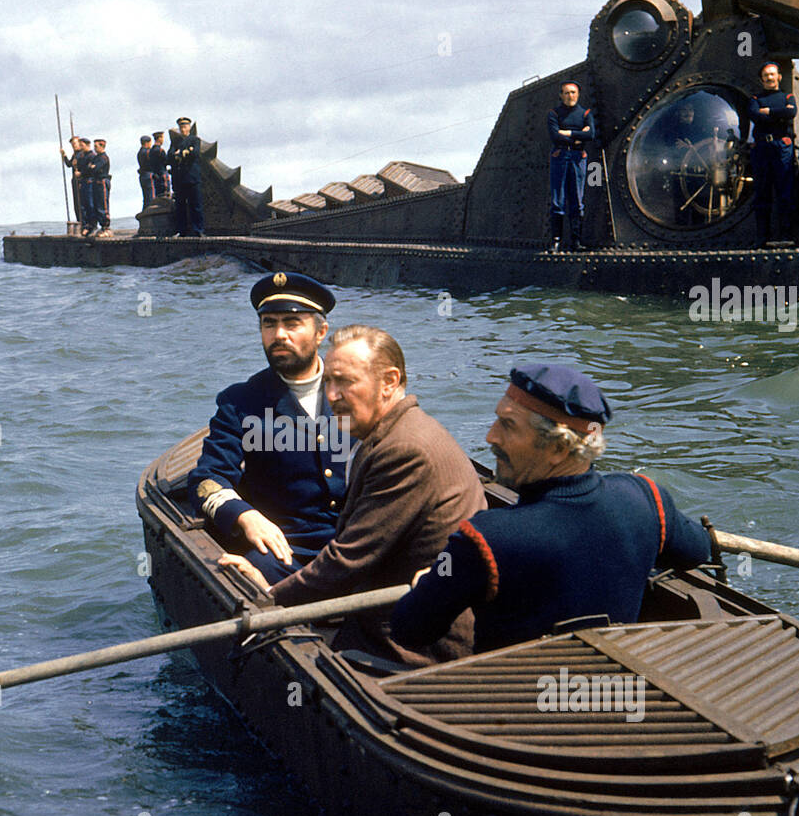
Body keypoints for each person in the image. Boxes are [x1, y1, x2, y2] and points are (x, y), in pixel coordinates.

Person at [390, 364, 713, 656]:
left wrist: (430, 581)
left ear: (559, 448)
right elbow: (697, 549)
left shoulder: (485, 539)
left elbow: (411, 629)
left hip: (515, 708)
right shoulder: (644, 497)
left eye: (507, 425)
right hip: (609, 689)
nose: (490, 436)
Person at [222, 325, 486, 666]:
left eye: (345, 382)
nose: (331, 395)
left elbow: (349, 561)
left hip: (412, 644)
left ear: (389, 382)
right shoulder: (397, 433)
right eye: (328, 382)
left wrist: (269, 599)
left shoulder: (404, 450)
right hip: (399, 611)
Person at [187, 272, 349, 585]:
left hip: (360, 542)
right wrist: (245, 516)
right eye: (269, 323)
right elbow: (206, 479)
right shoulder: (241, 402)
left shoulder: (353, 389)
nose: (279, 334)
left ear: (321, 332)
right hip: (286, 551)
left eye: (292, 323)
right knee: (248, 586)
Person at [747, 61, 797, 245]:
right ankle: (763, 236)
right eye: (766, 75)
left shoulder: (788, 96)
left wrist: (768, 112)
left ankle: (786, 235)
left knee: (785, 191)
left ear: (779, 77)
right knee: (762, 192)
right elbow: (754, 114)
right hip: (762, 148)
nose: (769, 78)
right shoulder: (755, 98)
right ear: (762, 80)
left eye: (772, 74)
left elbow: (792, 113)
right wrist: (779, 114)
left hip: (782, 147)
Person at [547, 81, 594, 252]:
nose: (570, 96)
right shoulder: (554, 114)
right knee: (557, 199)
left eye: (573, 92)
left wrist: (568, 132)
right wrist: (578, 136)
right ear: (561, 95)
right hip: (560, 156)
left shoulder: (585, 113)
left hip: (578, 157)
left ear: (578, 94)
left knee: (577, 199)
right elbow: (555, 136)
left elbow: (591, 134)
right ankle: (556, 241)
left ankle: (576, 241)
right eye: (566, 93)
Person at [170, 116, 205, 236]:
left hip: (192, 177)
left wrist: (181, 153)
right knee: (180, 207)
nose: (183, 129)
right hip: (180, 179)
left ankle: (198, 230)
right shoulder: (175, 142)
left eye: (185, 126)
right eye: (181, 127)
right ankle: (182, 231)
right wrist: (183, 152)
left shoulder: (195, 140)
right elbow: (170, 156)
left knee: (196, 205)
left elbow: (195, 153)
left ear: (189, 127)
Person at [60, 135, 86, 228]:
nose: (74, 146)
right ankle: (80, 222)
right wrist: (64, 156)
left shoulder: (83, 154)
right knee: (76, 202)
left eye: (75, 143)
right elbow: (69, 164)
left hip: (82, 181)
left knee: (83, 202)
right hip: (75, 181)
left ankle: (85, 223)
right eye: (72, 144)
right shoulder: (75, 155)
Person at [92, 138, 112, 237]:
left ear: (102, 146)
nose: (94, 149)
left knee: (103, 204)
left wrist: (92, 167)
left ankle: (106, 227)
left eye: (96, 146)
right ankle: (102, 226)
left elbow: (95, 168)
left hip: (102, 182)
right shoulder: (96, 157)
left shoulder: (103, 158)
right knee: (98, 204)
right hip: (97, 182)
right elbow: (90, 167)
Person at [137, 135, 157, 208]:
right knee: (151, 197)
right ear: (147, 143)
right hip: (149, 175)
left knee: (146, 197)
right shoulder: (148, 152)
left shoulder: (140, 152)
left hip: (143, 175)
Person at [150, 131, 172, 199]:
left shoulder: (151, 151)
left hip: (156, 174)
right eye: (162, 138)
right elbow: (167, 161)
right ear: (159, 138)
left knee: (158, 195)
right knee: (166, 194)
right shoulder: (160, 151)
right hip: (162, 174)